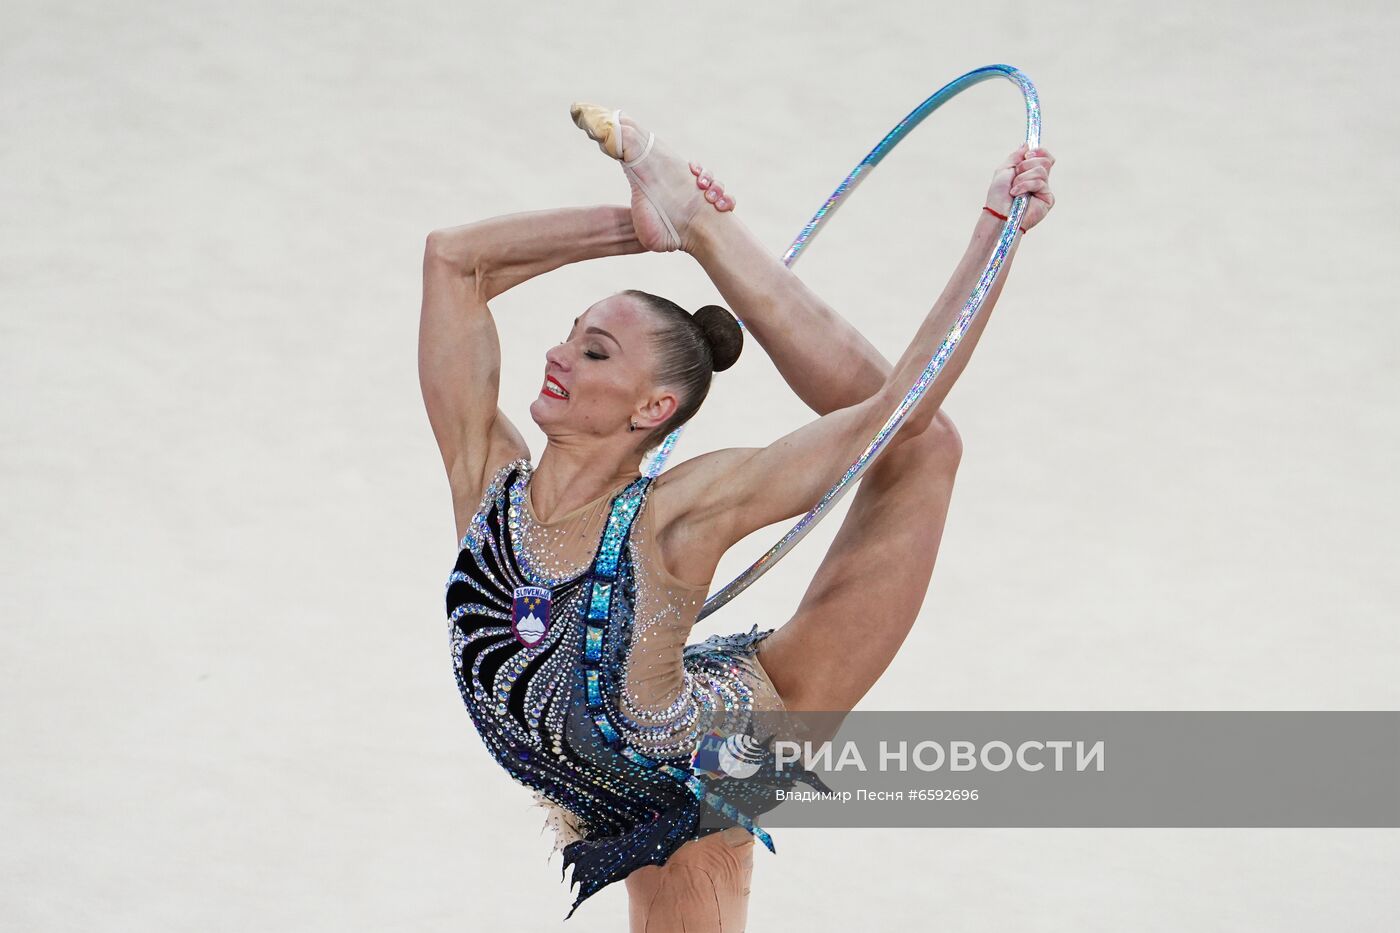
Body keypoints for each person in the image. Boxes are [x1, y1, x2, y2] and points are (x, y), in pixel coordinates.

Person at [420, 103, 1055, 930]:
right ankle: (694, 223)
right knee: (918, 445)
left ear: (654, 406)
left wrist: (993, 237)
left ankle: (715, 234)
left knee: (918, 446)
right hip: (648, 721)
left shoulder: (675, 519)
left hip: (707, 777)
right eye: (572, 333)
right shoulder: (487, 481)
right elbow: (453, 263)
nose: (557, 354)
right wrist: (640, 229)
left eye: (595, 350)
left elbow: (895, 408)